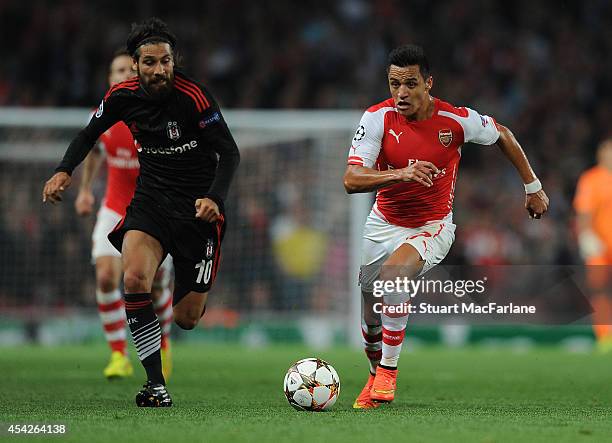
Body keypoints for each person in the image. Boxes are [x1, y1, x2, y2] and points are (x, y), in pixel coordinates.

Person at [43, 18, 240, 407]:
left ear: (174, 61)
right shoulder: (121, 96)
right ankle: (155, 384)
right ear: (136, 64)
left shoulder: (194, 97)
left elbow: (229, 152)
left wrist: (215, 198)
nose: (159, 70)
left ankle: (177, 294)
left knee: (187, 318)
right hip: (150, 202)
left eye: (165, 61)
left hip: (198, 211)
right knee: (133, 278)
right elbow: (87, 134)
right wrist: (64, 170)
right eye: (149, 62)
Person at [343, 44, 549, 408]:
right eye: (394, 84)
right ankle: (375, 372)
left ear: (428, 83)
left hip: (431, 225)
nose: (401, 93)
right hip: (382, 224)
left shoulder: (455, 121)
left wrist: (533, 187)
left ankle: (388, 373)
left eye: (410, 84)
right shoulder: (376, 118)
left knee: (395, 277)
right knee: (370, 312)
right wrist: (402, 173)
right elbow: (351, 179)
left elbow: (502, 134)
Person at [74, 50, 174, 380]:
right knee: (105, 276)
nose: (120, 75)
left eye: (126, 70)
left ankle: (163, 343)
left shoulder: (156, 113)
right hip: (115, 206)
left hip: (153, 210)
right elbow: (93, 149)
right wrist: (86, 189)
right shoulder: (102, 117)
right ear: (109, 78)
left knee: (155, 287)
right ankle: (119, 355)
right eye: (115, 70)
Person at [573, 138, 612, 352]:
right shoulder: (591, 179)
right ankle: (605, 337)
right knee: (600, 291)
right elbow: (584, 212)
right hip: (600, 247)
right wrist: (586, 236)